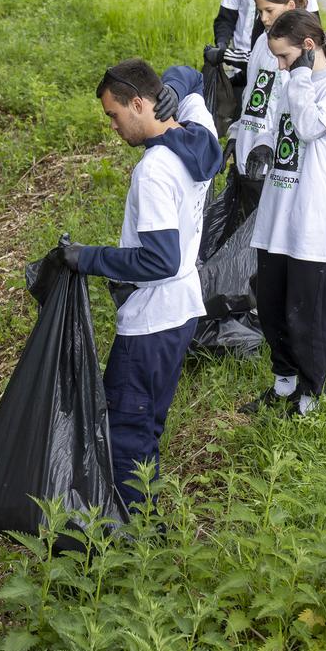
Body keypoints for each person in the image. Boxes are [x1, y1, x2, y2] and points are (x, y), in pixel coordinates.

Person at [60, 60, 221, 506]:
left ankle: (133, 537)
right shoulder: (199, 136)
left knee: (128, 433)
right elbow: (191, 73)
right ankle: (144, 522)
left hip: (151, 321)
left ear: (137, 103)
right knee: (147, 422)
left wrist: (84, 259)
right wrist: (172, 84)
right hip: (182, 311)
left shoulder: (153, 171)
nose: (113, 126)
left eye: (114, 114)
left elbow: (160, 260)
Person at [245, 9, 326, 417]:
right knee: (272, 306)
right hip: (279, 210)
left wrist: (301, 76)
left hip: (312, 215)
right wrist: (264, 146)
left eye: (285, 57)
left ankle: (309, 394)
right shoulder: (291, 78)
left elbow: (308, 126)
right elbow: (280, 126)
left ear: (308, 48)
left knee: (306, 313)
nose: (279, 65)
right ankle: (283, 382)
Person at [232, 0, 310, 212]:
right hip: (247, 147)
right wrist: (237, 132)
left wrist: (270, 144)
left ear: (290, 6)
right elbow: (251, 93)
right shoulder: (260, 42)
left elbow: (290, 108)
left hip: (273, 159)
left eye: (269, 10)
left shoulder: (299, 51)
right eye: (259, 12)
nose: (263, 19)